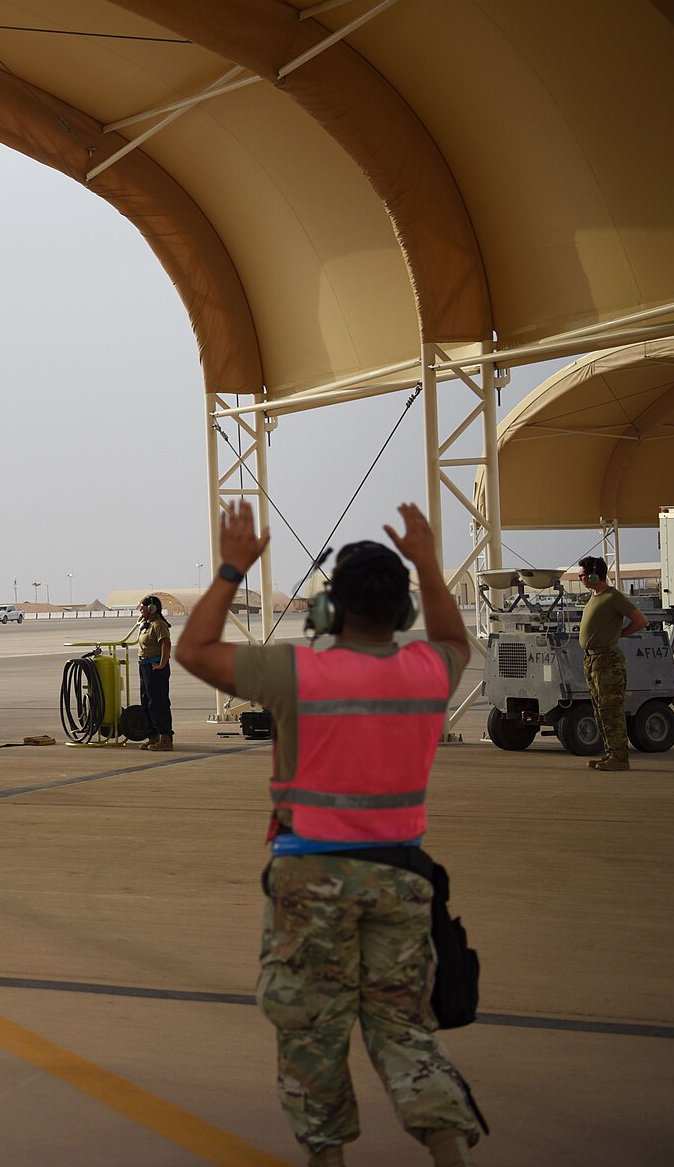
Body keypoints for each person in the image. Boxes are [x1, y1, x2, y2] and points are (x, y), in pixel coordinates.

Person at [175, 500, 485, 1167]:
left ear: (327, 612)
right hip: (402, 875)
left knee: (313, 1027)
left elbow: (193, 649)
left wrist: (234, 566)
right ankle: (449, 1150)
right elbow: (457, 640)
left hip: (311, 877)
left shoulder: (297, 670)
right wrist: (428, 563)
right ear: (403, 614)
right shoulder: (431, 672)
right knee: (403, 1023)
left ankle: (327, 1158)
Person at [577, 555, 646, 772]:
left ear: (595, 574)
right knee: (600, 710)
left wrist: (618, 635)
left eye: (582, 575)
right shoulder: (594, 597)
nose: (580, 578)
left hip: (607, 660)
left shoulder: (613, 597)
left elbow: (641, 620)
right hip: (592, 659)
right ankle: (611, 754)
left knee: (611, 709)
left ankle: (619, 756)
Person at [137, 595, 174, 750]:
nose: (140, 611)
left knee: (158, 702)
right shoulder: (147, 624)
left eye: (143, 608)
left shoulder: (159, 625)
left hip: (155, 667)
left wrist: (162, 664)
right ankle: (153, 736)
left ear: (152, 609)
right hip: (144, 666)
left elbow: (166, 644)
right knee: (146, 702)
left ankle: (165, 738)